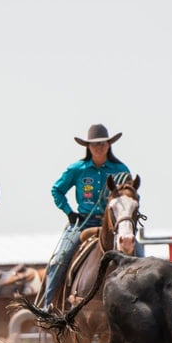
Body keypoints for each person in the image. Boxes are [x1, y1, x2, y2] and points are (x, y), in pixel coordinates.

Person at [41, 124, 137, 309]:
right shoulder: (77, 169)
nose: (99, 147)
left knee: (140, 258)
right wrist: (69, 212)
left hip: (115, 225)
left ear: (109, 145)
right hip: (83, 222)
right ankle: (48, 307)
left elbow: (131, 196)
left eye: (103, 143)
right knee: (58, 260)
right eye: (94, 144)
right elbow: (57, 190)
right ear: (88, 146)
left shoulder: (121, 169)